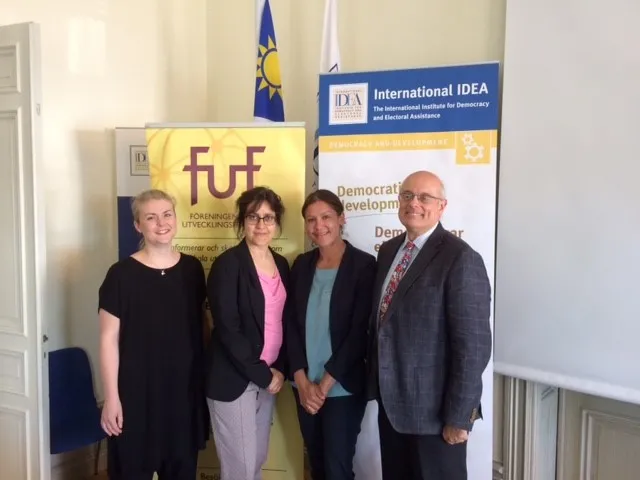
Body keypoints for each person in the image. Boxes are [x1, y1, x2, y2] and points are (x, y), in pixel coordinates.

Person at [367, 171, 492, 480]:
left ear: (441, 206)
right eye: (407, 195)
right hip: (392, 407)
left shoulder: (460, 258)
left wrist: (459, 417)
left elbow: (473, 347)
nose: (414, 203)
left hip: (436, 416)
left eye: (424, 197)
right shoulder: (389, 250)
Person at [98, 189, 209, 480]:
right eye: (151, 217)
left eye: (167, 214)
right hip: (135, 397)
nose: (161, 223)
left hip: (183, 396)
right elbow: (108, 341)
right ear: (138, 225)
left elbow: (200, 328)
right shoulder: (120, 275)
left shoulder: (192, 269)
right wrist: (111, 398)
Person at [286, 189, 375, 480]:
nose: (319, 226)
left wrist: (323, 387)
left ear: (341, 219)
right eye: (311, 220)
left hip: (341, 387)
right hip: (304, 386)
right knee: (317, 465)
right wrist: (301, 381)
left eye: (326, 217)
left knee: (337, 469)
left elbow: (359, 332)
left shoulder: (363, 265)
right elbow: (290, 325)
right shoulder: (301, 264)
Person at [205, 186, 289, 480]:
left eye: (268, 217)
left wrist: (278, 370)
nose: (261, 224)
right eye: (253, 217)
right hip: (235, 379)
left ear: (276, 222)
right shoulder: (228, 264)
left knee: (256, 460)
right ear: (242, 221)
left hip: (269, 377)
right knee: (239, 467)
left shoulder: (281, 264)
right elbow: (228, 328)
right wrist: (262, 374)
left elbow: (284, 321)